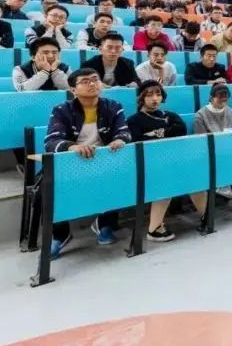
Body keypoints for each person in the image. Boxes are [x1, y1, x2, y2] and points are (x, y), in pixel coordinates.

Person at [44, 68, 131, 259]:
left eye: (95, 79)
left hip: (104, 161)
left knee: (125, 177)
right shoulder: (61, 110)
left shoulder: (113, 106)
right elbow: (51, 141)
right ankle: (60, 234)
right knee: (45, 186)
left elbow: (124, 131)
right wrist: (71, 147)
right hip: (71, 163)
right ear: (73, 89)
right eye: (85, 81)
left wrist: (120, 139)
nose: (92, 84)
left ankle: (105, 223)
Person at [126, 81, 205, 242]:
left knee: (196, 179)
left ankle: (206, 216)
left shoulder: (170, 115)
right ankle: (154, 229)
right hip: (149, 163)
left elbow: (180, 130)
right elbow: (138, 140)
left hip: (175, 159)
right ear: (141, 98)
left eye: (158, 94)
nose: (155, 98)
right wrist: (165, 132)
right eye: (150, 95)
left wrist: (154, 134)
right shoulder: (134, 120)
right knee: (165, 182)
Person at [193, 84, 232, 212]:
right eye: (220, 98)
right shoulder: (200, 115)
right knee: (221, 161)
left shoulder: (230, 112)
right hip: (209, 151)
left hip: (227, 149)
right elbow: (200, 141)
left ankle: (228, 192)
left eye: (226, 98)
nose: (223, 101)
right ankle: (231, 196)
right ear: (211, 98)